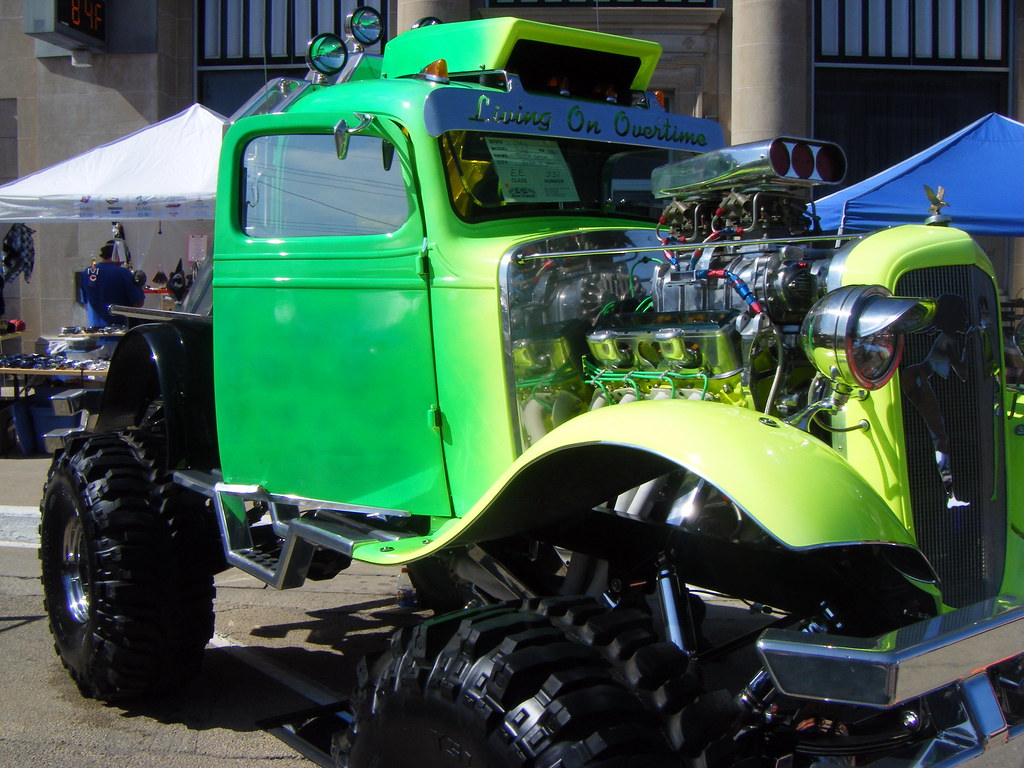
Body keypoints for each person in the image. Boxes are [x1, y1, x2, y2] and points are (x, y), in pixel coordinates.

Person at [78, 240, 145, 327]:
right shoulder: (123, 273)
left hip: (95, 329)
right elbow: (138, 303)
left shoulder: (87, 272)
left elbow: (84, 300)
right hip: (119, 330)